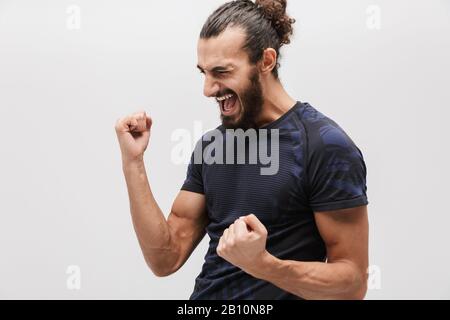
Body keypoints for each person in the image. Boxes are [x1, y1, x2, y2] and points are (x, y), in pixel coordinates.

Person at [115, 0, 369, 300]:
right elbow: (165, 258)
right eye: (204, 73)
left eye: (221, 72)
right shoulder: (212, 146)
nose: (208, 89)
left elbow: (352, 283)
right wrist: (133, 162)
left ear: (266, 61)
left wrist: (264, 265)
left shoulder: (324, 145)